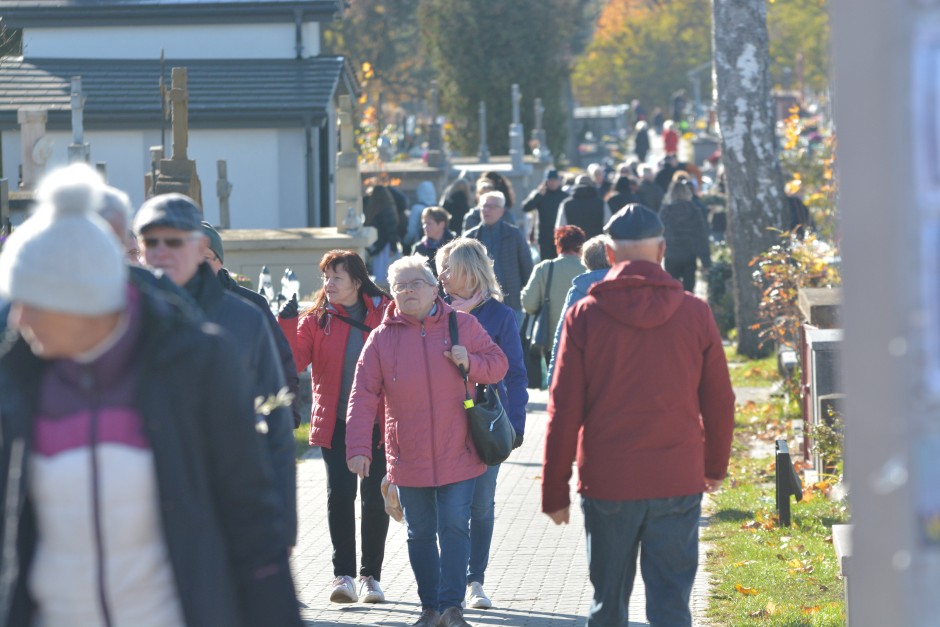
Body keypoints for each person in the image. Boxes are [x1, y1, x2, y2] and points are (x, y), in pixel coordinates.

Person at [0, 164, 301, 627]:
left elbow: (250, 515)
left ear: (81, 297)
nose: (20, 321)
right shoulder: (20, 379)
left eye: (32, 302)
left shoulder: (196, 360)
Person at [543, 204, 735, 627]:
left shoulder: (585, 316)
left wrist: (554, 489)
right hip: (677, 477)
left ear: (609, 255)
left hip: (609, 481)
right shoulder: (695, 312)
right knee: (671, 607)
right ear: (663, 250)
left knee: (608, 605)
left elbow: (563, 408)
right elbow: (720, 401)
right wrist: (715, 466)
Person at [345, 255, 509, 627]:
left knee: (454, 526)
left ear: (435, 288)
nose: (407, 291)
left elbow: (498, 364)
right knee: (420, 534)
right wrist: (356, 448)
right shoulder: (381, 339)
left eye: (415, 283)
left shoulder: (462, 325)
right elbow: (362, 395)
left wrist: (470, 363)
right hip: (409, 454)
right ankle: (429, 609)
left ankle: (452, 608)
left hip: (460, 450)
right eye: (399, 286)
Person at [134, 194, 298, 551]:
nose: (161, 251)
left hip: (227, 504)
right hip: (141, 513)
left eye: (174, 241)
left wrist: (283, 522)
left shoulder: (244, 317)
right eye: (151, 242)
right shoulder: (121, 319)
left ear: (199, 247)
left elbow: (277, 421)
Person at [278, 250, 392, 605]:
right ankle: (343, 576)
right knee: (340, 497)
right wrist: (285, 323)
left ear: (356, 282)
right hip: (336, 421)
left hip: (377, 421)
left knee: (375, 498)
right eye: (326, 277)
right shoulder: (316, 319)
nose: (329, 284)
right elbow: (294, 360)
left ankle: (371, 577)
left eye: (337, 278)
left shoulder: (386, 311)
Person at [435, 238, 528, 611]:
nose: (440, 276)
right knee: (450, 508)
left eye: (446, 268)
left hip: (487, 423)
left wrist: (516, 425)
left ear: (467, 271)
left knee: (481, 506)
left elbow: (517, 374)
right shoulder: (433, 313)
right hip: (443, 422)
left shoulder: (500, 316)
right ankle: (451, 578)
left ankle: (475, 580)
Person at [201, 221, 302, 428]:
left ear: (219, 261)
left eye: (204, 258)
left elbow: (281, 363)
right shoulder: (171, 303)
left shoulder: (252, 305)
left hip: (245, 424)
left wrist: (285, 416)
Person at [521, 226, 587, 372]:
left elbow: (529, 304)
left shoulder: (545, 268)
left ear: (558, 244)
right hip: (582, 340)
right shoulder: (588, 270)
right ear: (581, 246)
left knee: (555, 383)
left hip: (550, 340)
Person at [547, 234, 612, 379]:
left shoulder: (578, 290)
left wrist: (553, 376)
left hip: (585, 369)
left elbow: (562, 334)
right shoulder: (625, 287)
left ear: (586, 260)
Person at [463, 191, 533, 323]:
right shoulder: (469, 238)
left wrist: (526, 299)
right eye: (484, 206)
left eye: (492, 206)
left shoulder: (514, 235)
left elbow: (527, 269)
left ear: (502, 210)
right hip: (479, 305)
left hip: (511, 303)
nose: (486, 210)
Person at [659, 178, 712, 293]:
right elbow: (701, 236)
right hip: (689, 254)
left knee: (671, 290)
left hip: (671, 254)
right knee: (689, 290)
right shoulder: (694, 210)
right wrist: (705, 261)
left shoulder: (665, 211)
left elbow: (659, 234)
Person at [521, 169, 570, 262]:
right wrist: (538, 195)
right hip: (544, 237)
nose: (552, 183)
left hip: (561, 237)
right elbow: (525, 207)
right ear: (546, 182)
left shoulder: (564, 196)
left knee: (560, 262)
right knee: (546, 263)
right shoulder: (541, 195)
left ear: (559, 181)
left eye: (555, 180)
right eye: (550, 180)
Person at [364, 184, 401, 287]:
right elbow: (392, 229)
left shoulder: (371, 210)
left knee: (378, 274)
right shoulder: (389, 209)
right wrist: (393, 246)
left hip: (377, 245)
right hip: (387, 246)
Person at [555, 174, 612, 239]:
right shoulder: (601, 203)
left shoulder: (566, 204)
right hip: (596, 246)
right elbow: (608, 226)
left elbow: (560, 228)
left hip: (573, 246)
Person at [413, 206, 456, 277]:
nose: (425, 226)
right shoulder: (419, 248)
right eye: (424, 223)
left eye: (429, 223)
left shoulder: (455, 245)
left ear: (441, 224)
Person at [404, 180, 438, 250]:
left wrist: (405, 243)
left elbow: (411, 231)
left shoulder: (416, 209)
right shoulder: (439, 208)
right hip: (438, 244)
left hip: (421, 244)